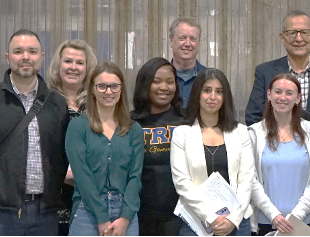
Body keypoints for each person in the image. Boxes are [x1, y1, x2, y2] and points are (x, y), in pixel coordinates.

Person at [0, 29, 70, 236]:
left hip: (45, 214)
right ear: (8, 58)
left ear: (42, 57)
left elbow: (62, 157)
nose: (25, 57)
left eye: (32, 51)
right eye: (18, 51)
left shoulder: (57, 104)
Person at [171, 68, 255, 236]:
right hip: (197, 222)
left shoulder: (241, 132)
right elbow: (182, 182)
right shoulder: (182, 133)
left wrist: (233, 219)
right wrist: (211, 217)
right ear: (197, 94)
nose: (213, 97)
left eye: (219, 92)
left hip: (237, 221)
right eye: (207, 90)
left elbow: (246, 179)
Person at [65, 62, 144, 236]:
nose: (108, 91)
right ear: (92, 89)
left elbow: (135, 176)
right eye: (102, 86)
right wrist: (101, 218)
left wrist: (125, 217)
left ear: (121, 89)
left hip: (126, 214)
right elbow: (82, 176)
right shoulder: (78, 127)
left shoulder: (134, 129)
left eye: (114, 86)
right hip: (87, 211)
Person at [247, 73, 310, 236]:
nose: (283, 97)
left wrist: (296, 216)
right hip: (266, 222)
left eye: (289, 93)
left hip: (305, 222)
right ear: (269, 95)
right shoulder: (254, 133)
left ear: (298, 98)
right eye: (278, 92)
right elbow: (250, 179)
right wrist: (274, 215)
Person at [246, 10, 310, 128]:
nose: (298, 39)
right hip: (275, 144)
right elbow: (253, 117)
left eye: (304, 32)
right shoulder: (265, 72)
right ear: (282, 38)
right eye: (292, 33)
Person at [45, 38, 97, 236]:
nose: (73, 67)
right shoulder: (45, 103)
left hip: (90, 196)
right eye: (68, 61)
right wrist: (63, 174)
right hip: (54, 197)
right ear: (59, 65)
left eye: (80, 63)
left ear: (88, 68)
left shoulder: (97, 105)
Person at [130, 58, 185, 236]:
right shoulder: (130, 122)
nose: (164, 87)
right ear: (145, 84)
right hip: (139, 215)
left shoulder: (187, 121)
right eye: (156, 81)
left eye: (170, 82)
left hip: (180, 216)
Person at [168, 17, 209, 107]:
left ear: (199, 42)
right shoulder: (159, 79)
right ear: (171, 41)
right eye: (182, 38)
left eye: (193, 39)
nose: (187, 44)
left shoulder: (209, 78)